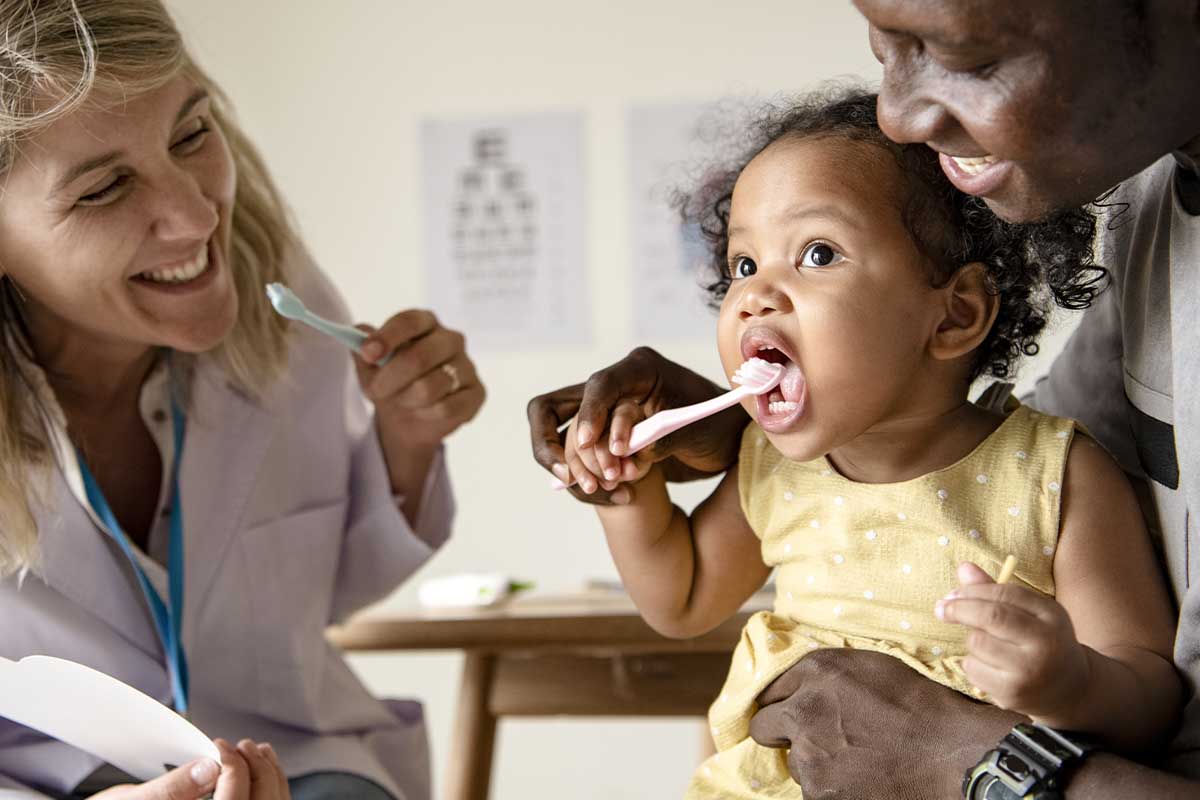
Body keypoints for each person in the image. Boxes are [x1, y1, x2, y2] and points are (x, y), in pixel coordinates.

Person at [529, 0, 1200, 795]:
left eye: (817, 253)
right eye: (744, 266)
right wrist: (625, 490)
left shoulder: (1057, 476)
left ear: (952, 314)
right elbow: (680, 600)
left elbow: (1151, 692)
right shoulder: (774, 466)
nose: (755, 298)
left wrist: (1069, 684)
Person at [0, 1, 484, 798]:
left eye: (192, 134)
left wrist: (406, 439)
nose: (195, 217)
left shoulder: (284, 304)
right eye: (105, 188)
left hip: (300, 759)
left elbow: (319, 595)